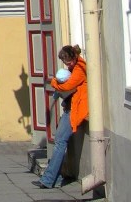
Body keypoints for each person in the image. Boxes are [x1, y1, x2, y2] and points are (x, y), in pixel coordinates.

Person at [34, 45, 87, 190]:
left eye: (68, 62)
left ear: (74, 57)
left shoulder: (80, 69)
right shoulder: (74, 68)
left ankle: (48, 180)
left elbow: (67, 86)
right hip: (70, 109)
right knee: (60, 142)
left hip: (74, 111)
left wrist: (53, 82)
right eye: (65, 63)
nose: (67, 65)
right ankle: (55, 179)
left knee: (59, 142)